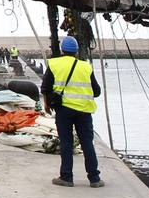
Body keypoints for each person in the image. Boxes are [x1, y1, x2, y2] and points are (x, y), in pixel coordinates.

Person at [42, 35, 104, 188]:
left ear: (62, 50)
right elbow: (96, 91)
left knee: (66, 142)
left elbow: (45, 87)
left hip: (64, 110)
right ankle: (94, 178)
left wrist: (47, 104)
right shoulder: (86, 66)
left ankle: (66, 177)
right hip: (84, 111)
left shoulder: (55, 64)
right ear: (76, 52)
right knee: (87, 143)